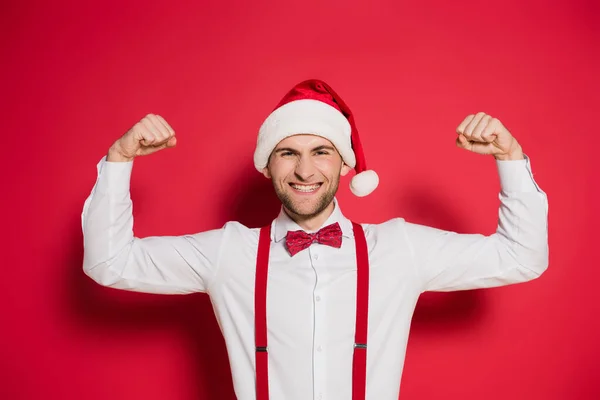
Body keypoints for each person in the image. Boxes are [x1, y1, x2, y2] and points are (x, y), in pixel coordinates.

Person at [81, 79, 549, 400]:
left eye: (321, 152)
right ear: (266, 165)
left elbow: (521, 256)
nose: (305, 171)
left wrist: (509, 158)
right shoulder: (229, 253)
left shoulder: (399, 249)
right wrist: (119, 160)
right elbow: (111, 262)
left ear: (345, 165)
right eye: (288, 153)